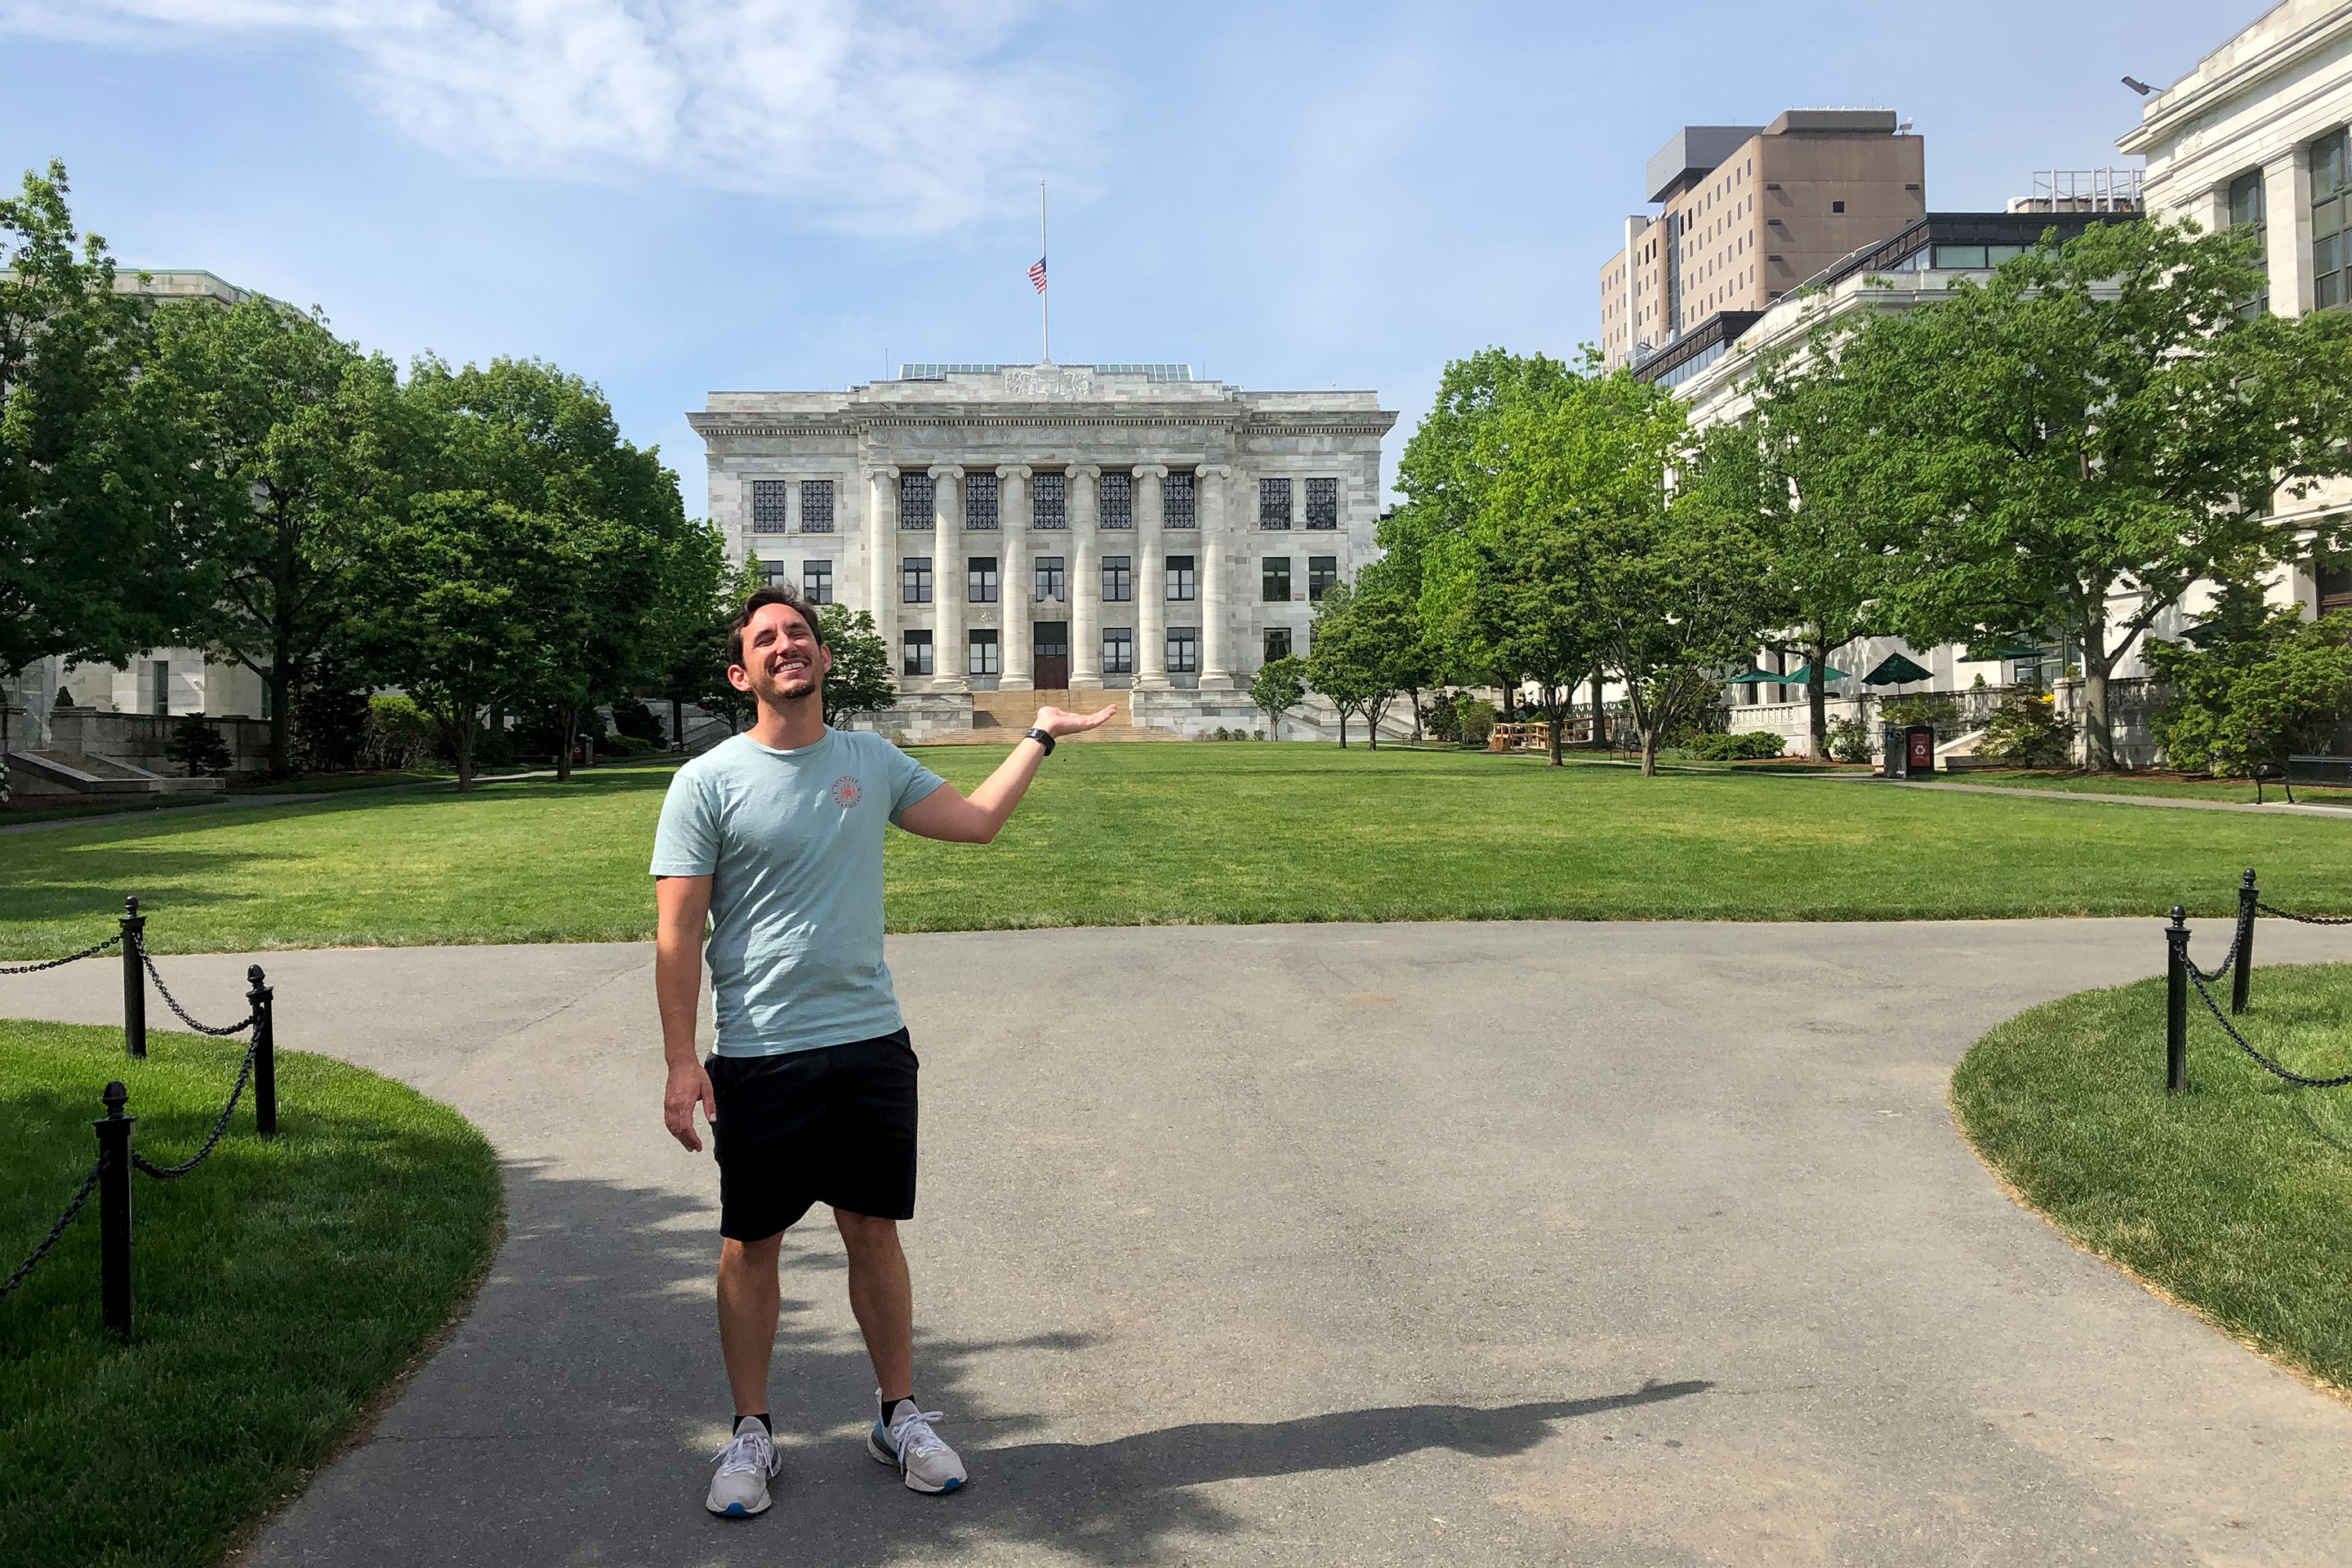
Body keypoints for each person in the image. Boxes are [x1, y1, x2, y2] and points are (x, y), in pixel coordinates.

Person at [650, 586, 1112, 1518]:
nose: (788, 646)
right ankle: (751, 1433)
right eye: (767, 639)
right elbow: (677, 931)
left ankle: (898, 1415)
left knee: (873, 1234)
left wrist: (1043, 735)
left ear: (823, 659)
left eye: (801, 635)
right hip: (762, 1051)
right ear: (742, 672)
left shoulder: (870, 759)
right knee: (753, 1244)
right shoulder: (707, 781)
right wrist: (680, 1059)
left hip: (869, 1042)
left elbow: (977, 822)